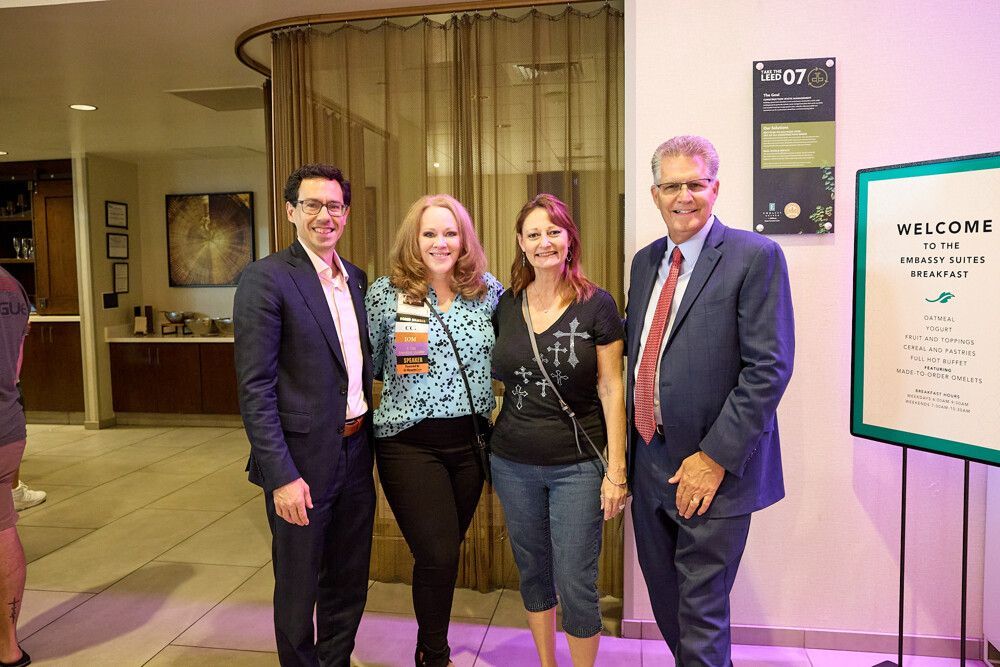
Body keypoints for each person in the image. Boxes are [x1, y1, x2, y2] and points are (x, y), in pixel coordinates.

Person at [626, 135, 794, 666]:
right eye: (671, 185)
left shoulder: (755, 256)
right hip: (649, 458)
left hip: (713, 467)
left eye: (695, 184)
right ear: (655, 194)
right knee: (667, 602)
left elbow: (768, 368)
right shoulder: (645, 262)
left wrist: (714, 458)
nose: (684, 196)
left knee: (701, 613)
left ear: (715, 188)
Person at [234, 163, 375, 667]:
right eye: (312, 205)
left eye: (334, 205)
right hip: (300, 462)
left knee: (348, 579)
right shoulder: (266, 278)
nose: (324, 215)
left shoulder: (355, 279)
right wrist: (282, 477)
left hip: (356, 451)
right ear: (291, 211)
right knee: (298, 587)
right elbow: (255, 389)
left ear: (347, 213)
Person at [490, 194, 627, 667]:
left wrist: (616, 471)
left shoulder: (597, 305)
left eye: (553, 231)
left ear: (570, 239)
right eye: (534, 234)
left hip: (578, 467)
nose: (544, 242)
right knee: (533, 573)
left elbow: (612, 387)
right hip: (512, 463)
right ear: (520, 243)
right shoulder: (506, 304)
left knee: (575, 581)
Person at [365, 194, 502, 667]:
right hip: (408, 443)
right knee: (439, 553)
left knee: (444, 554)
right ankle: (434, 654)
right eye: (429, 233)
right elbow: (371, 365)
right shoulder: (386, 294)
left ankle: (430, 646)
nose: (440, 243)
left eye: (450, 233)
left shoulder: (487, 291)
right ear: (414, 239)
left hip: (470, 445)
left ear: (464, 240)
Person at [0, 266, 32, 667]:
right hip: (8, 425)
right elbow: (17, 365)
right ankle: (7, 645)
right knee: (3, 527)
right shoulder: (12, 285)